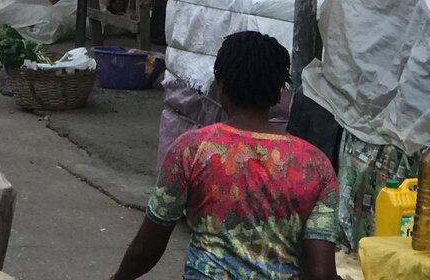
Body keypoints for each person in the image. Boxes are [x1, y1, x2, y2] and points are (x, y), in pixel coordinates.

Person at [110, 31, 340, 280]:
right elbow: (322, 273)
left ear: (220, 87)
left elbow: (147, 247)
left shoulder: (191, 150)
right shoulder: (315, 165)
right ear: (277, 94)